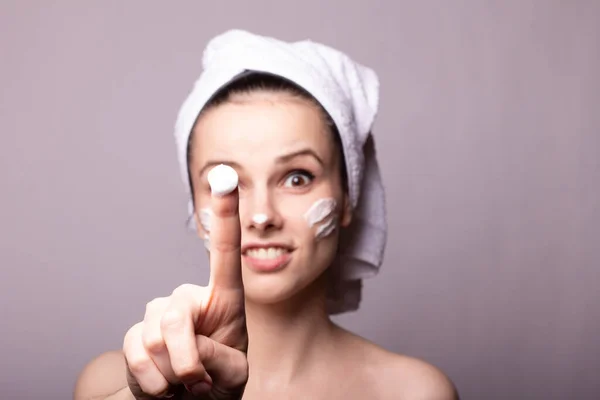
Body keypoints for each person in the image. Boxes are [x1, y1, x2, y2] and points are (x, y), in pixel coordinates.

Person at [74, 30, 459, 399]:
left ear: (347, 198)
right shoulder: (111, 384)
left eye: (296, 178)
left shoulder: (414, 392)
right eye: (226, 181)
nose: (260, 216)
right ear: (195, 207)